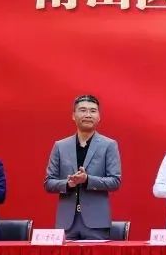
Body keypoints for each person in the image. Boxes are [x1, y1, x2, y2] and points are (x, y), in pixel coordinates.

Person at [43, 95, 122, 240]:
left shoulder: (109, 145)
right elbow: (48, 182)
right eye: (83, 110)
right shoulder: (60, 146)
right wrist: (68, 184)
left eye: (93, 111)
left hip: (96, 223)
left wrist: (87, 180)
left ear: (99, 117)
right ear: (73, 115)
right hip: (66, 223)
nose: (88, 115)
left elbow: (115, 181)